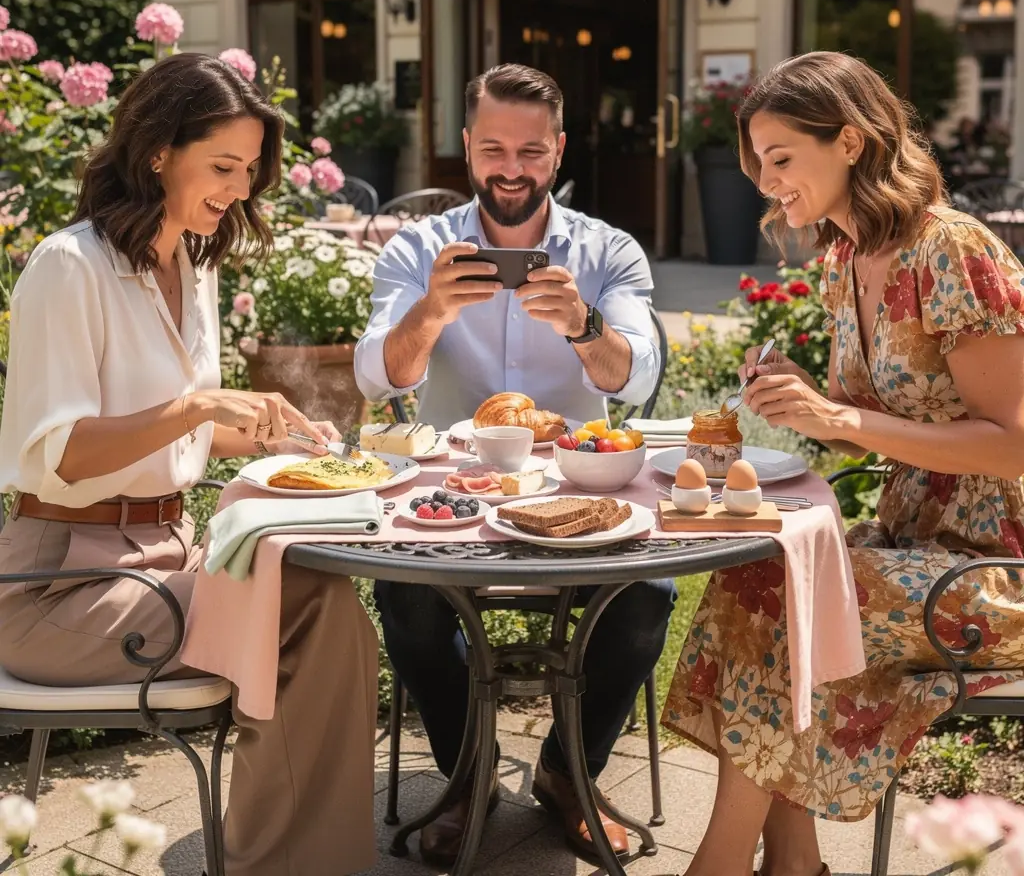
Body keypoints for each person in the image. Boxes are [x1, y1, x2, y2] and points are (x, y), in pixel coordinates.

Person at [0, 53, 379, 876]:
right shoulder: (69, 269)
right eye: (223, 166)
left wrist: (267, 431)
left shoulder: (188, 263)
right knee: (308, 610)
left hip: (159, 560)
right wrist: (203, 406)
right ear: (156, 152)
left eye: (249, 170)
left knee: (320, 591)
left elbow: (175, 441)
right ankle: (286, 864)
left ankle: (298, 857)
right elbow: (59, 457)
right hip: (57, 587)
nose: (239, 189)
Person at [662, 50, 1024, 876]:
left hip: (995, 562)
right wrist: (806, 403)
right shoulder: (845, 259)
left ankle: (718, 867)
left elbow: (1013, 441)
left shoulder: (951, 251)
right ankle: (795, 863)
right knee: (759, 571)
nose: (766, 182)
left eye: (781, 159)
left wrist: (841, 415)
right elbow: (871, 426)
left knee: (787, 600)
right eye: (758, 163)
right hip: (912, 536)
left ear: (852, 142)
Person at [354, 63, 676, 864]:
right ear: (466, 147)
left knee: (646, 594)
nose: (510, 169)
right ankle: (469, 771)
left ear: (559, 150)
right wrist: (431, 312)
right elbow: (375, 374)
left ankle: (569, 775)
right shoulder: (421, 246)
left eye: (531, 151)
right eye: (493, 148)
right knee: (406, 592)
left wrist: (583, 323)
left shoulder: (608, 250)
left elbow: (636, 374)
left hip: (579, 496)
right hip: (449, 502)